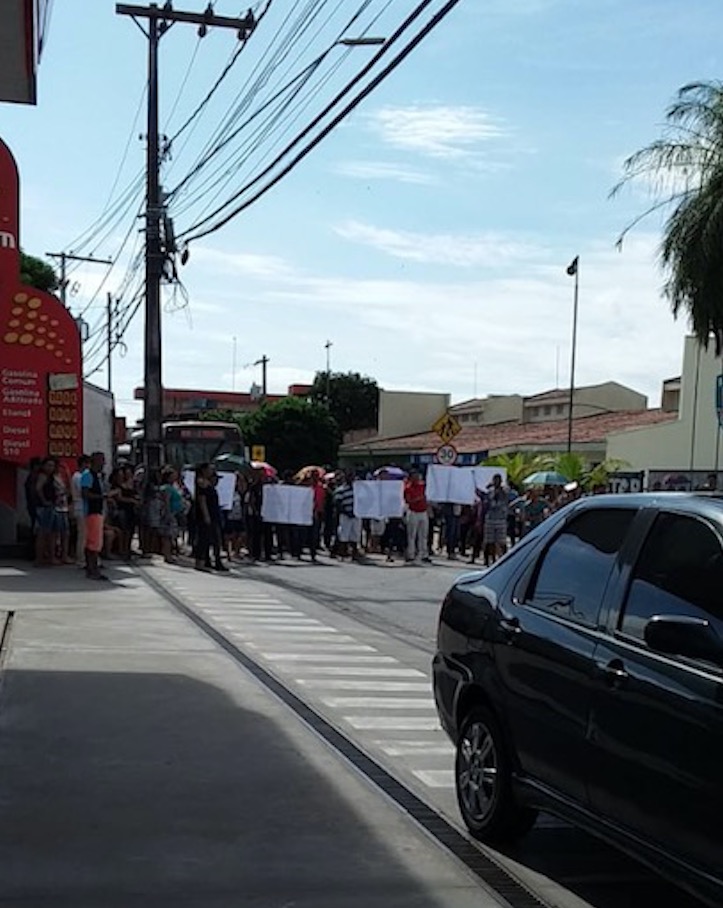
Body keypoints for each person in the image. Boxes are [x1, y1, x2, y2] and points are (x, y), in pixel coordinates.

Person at [81, 451, 108, 580]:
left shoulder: (97, 476)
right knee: (94, 543)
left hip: (97, 511)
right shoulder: (87, 475)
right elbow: (85, 494)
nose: (104, 463)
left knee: (94, 542)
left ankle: (92, 568)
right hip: (92, 512)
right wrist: (102, 496)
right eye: (101, 460)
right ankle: (92, 568)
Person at [34, 457, 58, 566]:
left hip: (51, 506)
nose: (50, 468)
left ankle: (48, 557)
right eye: (48, 465)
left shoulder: (51, 477)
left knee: (50, 532)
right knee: (43, 532)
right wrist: (44, 501)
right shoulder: (43, 476)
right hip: (44, 507)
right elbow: (38, 489)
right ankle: (39, 558)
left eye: (52, 465)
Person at [404, 470, 431, 564]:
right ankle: (411, 554)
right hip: (413, 512)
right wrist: (417, 499)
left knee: (423, 535)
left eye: (418, 476)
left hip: (423, 512)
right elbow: (408, 500)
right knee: (412, 535)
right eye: (415, 476)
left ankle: (423, 554)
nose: (417, 478)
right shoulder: (408, 488)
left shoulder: (423, 486)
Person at [334, 471, 361, 560]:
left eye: (352, 477)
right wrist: (346, 512)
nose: (351, 479)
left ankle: (354, 553)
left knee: (355, 534)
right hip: (345, 515)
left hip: (356, 514)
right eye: (349, 477)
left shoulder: (358, 489)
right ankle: (342, 553)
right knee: (344, 534)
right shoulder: (340, 490)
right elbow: (337, 503)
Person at [483, 473, 509, 564]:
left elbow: (507, 499)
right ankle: (488, 560)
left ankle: (505, 559)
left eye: (498, 480)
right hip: (490, 518)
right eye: (495, 480)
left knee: (502, 541)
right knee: (489, 541)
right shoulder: (489, 491)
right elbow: (486, 502)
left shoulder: (505, 491)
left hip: (501, 518)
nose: (496, 482)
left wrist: (501, 491)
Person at [70, 455, 90, 567]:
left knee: (85, 534)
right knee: (83, 534)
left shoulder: (82, 476)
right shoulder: (79, 477)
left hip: (83, 507)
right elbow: (84, 492)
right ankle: (81, 558)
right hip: (81, 507)